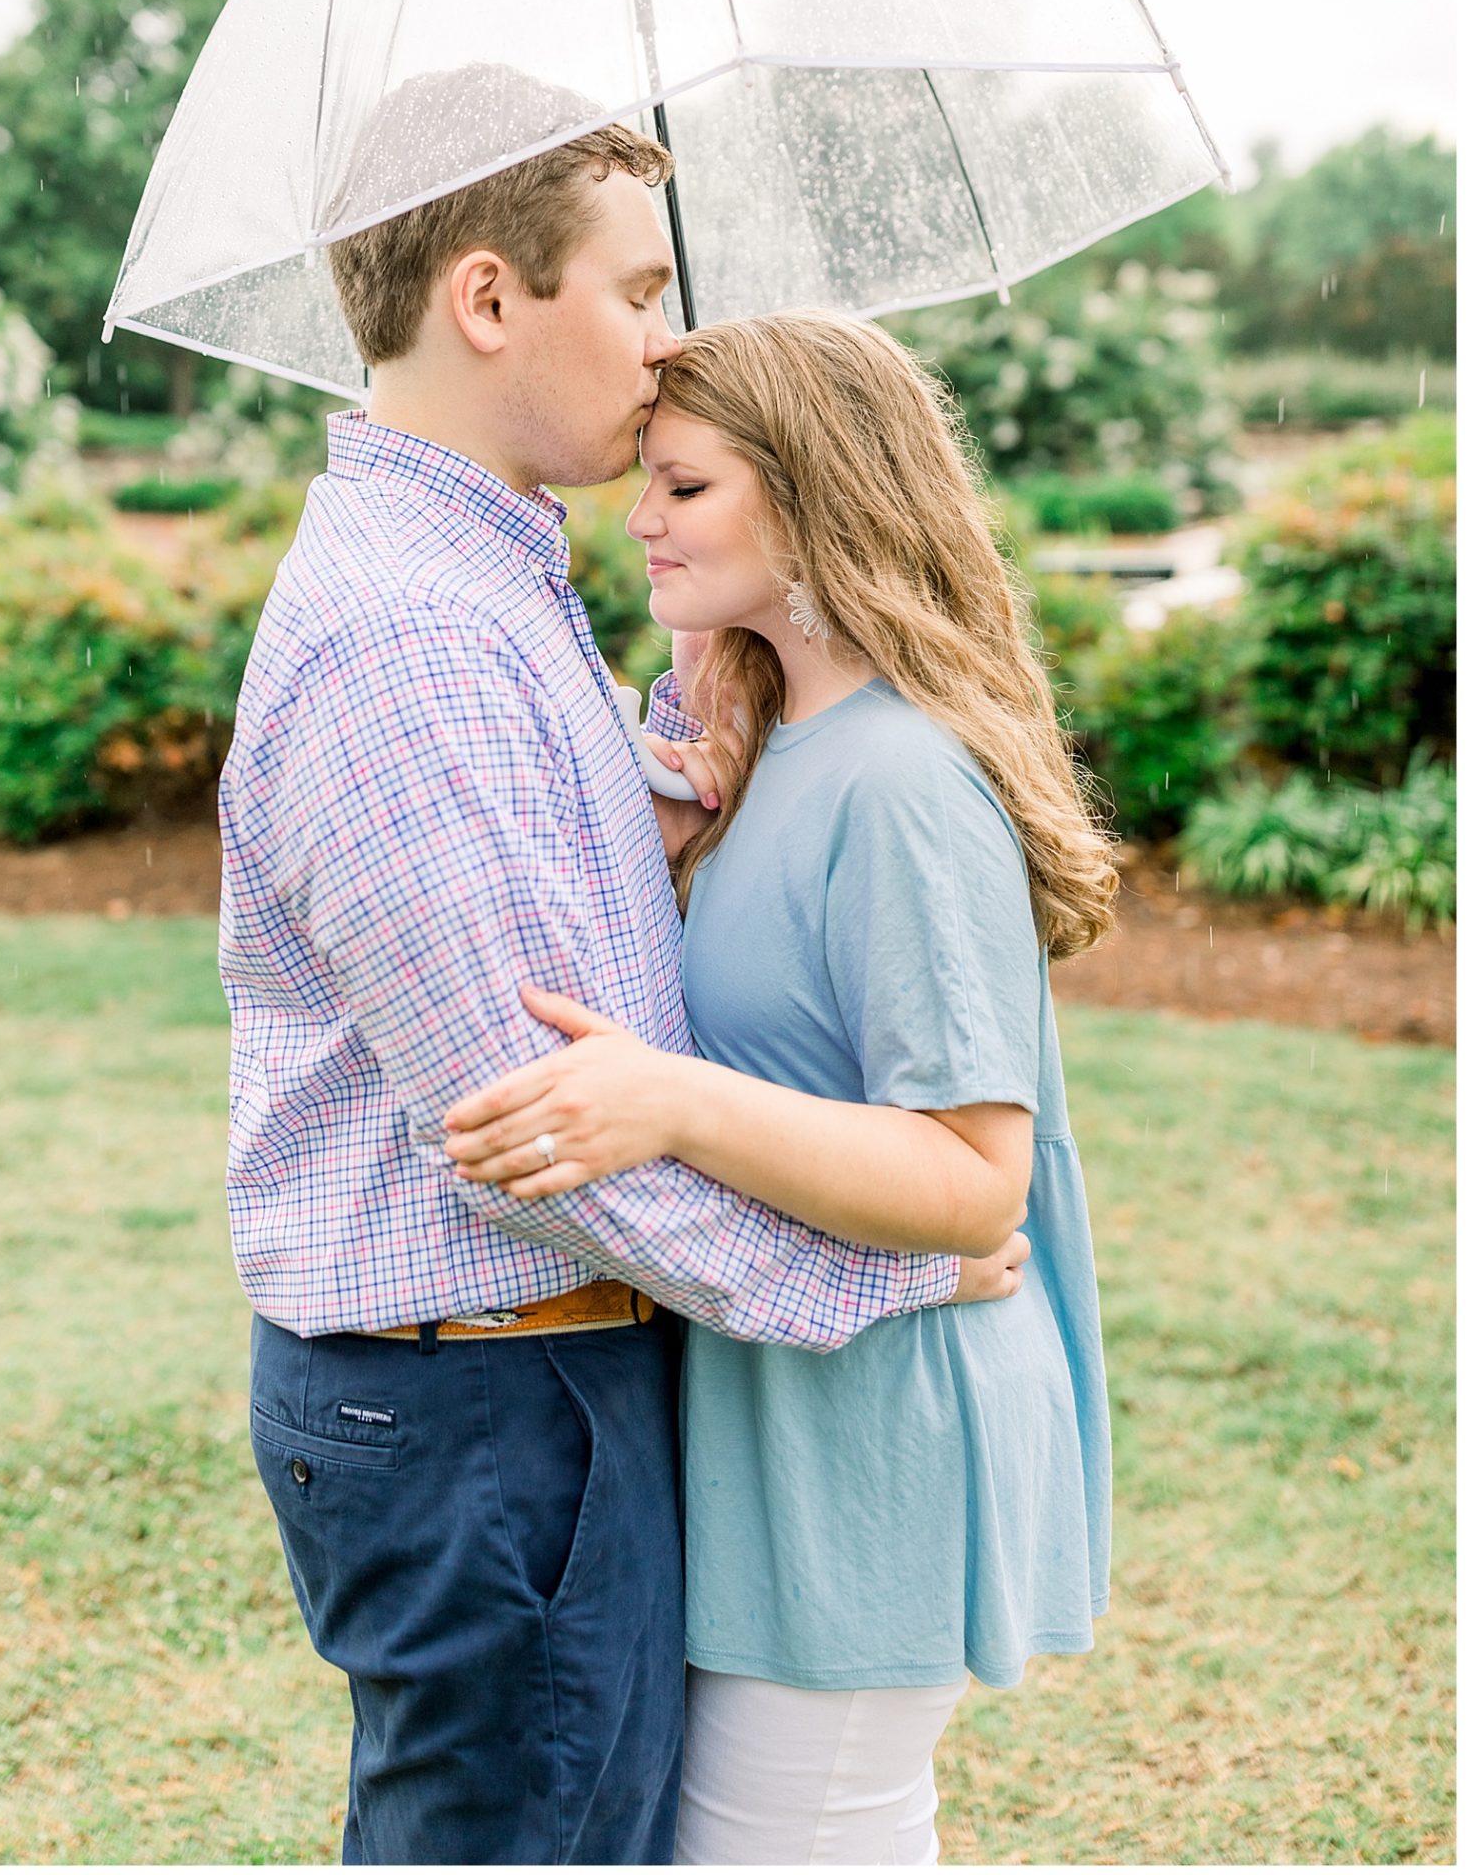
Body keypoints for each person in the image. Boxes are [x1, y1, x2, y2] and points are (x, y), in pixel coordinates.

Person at [218, 72, 1025, 1868]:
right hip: (487, 1391)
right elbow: (543, 1132)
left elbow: (574, 884)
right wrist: (880, 1277)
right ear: (490, 299)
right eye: (641, 288)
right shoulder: (408, 641)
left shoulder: (489, 585)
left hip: (521, 1383)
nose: (668, 345)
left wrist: (692, 741)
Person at [445, 310, 1116, 1867]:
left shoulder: (898, 784)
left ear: (812, 495)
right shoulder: (789, 751)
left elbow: (971, 1178)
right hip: (789, 1413)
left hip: (870, 1437)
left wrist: (666, 1101)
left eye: (683, 486)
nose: (637, 519)